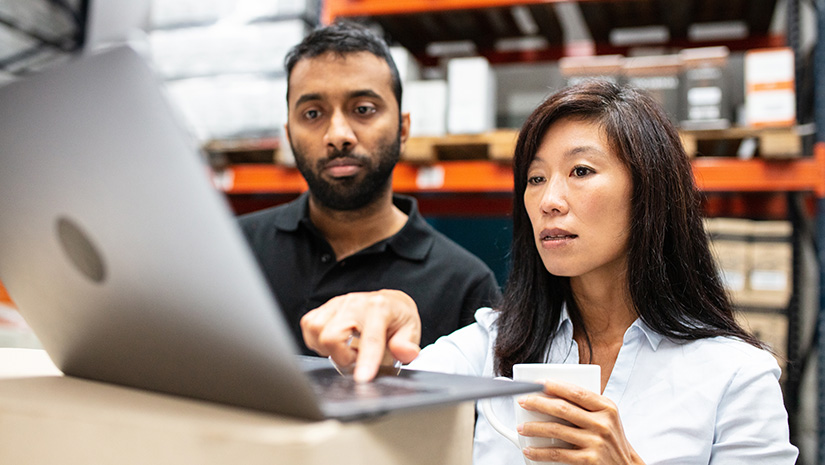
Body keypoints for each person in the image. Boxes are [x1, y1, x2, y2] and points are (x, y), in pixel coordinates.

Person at [301, 81, 798, 464]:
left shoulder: (736, 376)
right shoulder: (494, 344)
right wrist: (385, 318)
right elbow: (386, 386)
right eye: (536, 178)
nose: (549, 201)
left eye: (581, 171)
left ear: (650, 193)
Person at [238, 22, 501, 355]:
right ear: (289, 134)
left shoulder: (466, 285)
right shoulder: (234, 250)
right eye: (313, 113)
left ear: (402, 129)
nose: (338, 134)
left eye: (363, 109)